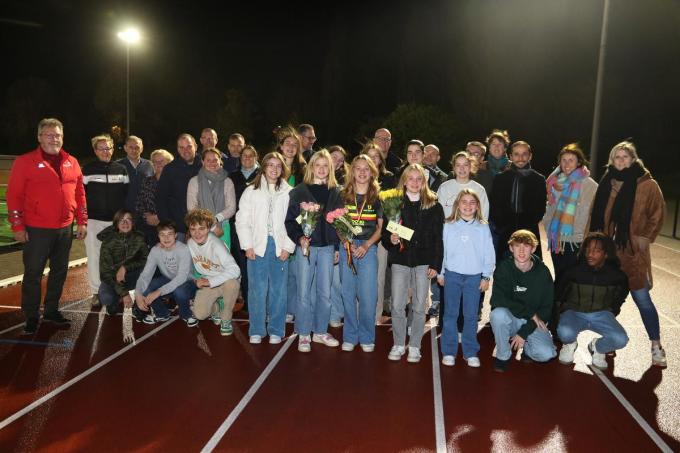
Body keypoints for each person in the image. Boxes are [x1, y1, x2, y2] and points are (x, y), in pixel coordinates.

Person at [589, 140, 667, 367]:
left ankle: (656, 345)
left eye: (625, 157)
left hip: (632, 253)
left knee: (642, 299)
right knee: (608, 301)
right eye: (617, 157)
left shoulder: (647, 184)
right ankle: (609, 341)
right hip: (608, 253)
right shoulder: (606, 182)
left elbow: (658, 213)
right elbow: (596, 214)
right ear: (611, 160)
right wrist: (593, 243)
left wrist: (645, 237)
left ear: (633, 160)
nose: (621, 161)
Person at [7, 118, 87, 334]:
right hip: (36, 228)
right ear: (39, 137)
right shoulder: (25, 162)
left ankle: (51, 310)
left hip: (65, 228)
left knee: (59, 272)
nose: (54, 139)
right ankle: (31, 315)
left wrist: (82, 220)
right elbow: (14, 195)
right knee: (33, 273)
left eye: (58, 135)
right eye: (49, 134)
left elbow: (79, 193)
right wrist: (17, 225)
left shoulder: (72, 161)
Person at [382, 164, 444, 363]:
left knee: (419, 306)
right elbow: (386, 233)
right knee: (398, 304)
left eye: (419, 179)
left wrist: (436, 263)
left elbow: (438, 238)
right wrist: (390, 240)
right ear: (404, 181)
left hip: (423, 261)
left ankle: (415, 345)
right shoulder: (395, 202)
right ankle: (399, 343)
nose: (415, 183)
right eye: (411, 178)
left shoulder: (434, 204)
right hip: (400, 260)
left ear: (424, 182)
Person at [285, 150, 342, 352]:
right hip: (306, 249)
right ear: (311, 167)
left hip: (327, 249)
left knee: (325, 293)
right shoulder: (299, 191)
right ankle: (303, 333)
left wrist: (336, 246)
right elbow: (290, 221)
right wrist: (299, 237)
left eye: (325, 165)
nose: (321, 169)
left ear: (331, 168)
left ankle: (319, 331)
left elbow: (339, 223)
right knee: (303, 293)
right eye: (317, 164)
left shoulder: (337, 192)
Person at [235, 152, 295, 344]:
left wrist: (288, 246)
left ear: (282, 169)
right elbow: (241, 220)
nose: (274, 169)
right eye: (270, 165)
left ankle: (276, 329)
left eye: (278, 165)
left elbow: (294, 222)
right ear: (263, 167)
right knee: (257, 289)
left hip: (279, 246)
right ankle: (257, 329)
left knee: (279, 290)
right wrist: (247, 245)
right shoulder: (250, 191)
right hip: (257, 246)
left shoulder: (289, 192)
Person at [438, 189, 495, 367]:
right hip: (452, 275)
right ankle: (449, 351)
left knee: (470, 315)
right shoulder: (448, 225)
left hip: (474, 277)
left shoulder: (483, 227)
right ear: (457, 205)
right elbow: (442, 251)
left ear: (477, 206)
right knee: (450, 314)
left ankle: (470, 351)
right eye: (464, 202)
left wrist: (486, 276)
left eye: (472, 202)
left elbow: (489, 254)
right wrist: (440, 272)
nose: (468, 206)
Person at [556, 232, 629, 370]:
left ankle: (598, 347)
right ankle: (570, 344)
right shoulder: (572, 272)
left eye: (596, 251)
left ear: (606, 254)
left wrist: (612, 310)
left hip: (601, 315)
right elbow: (558, 294)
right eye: (588, 249)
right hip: (574, 313)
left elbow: (621, 295)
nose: (590, 254)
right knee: (564, 332)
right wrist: (560, 313)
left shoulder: (617, 276)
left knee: (621, 339)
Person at [489, 230, 556, 372]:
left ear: (533, 249)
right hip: (512, 318)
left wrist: (524, 332)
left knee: (546, 354)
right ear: (510, 248)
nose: (521, 251)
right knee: (497, 315)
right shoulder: (504, 268)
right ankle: (503, 355)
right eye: (517, 246)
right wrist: (530, 312)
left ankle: (528, 347)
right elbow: (497, 299)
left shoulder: (543, 273)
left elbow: (546, 308)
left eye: (526, 246)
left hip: (533, 322)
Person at [338, 155, 384, 352]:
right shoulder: (342, 195)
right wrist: (346, 241)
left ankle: (366, 336)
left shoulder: (377, 198)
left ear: (372, 172)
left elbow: (381, 228)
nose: (362, 172)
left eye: (366, 168)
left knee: (368, 295)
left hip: (368, 247)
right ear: (352, 171)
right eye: (358, 168)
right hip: (346, 245)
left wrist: (366, 245)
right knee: (348, 293)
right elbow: (337, 223)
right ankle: (350, 335)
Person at [82, 134, 129, 309]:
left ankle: (116, 290)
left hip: (115, 222)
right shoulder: (87, 169)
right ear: (95, 150)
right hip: (94, 220)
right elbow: (80, 196)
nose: (106, 151)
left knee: (116, 258)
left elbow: (126, 195)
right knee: (94, 257)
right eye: (101, 148)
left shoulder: (121, 169)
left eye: (108, 148)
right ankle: (96, 292)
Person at [542, 143, 598, 284]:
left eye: (571, 160)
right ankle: (558, 305)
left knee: (572, 279)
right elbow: (550, 208)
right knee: (560, 276)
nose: (567, 164)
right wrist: (548, 225)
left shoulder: (590, 185)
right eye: (564, 160)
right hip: (556, 239)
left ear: (579, 162)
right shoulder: (554, 182)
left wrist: (588, 239)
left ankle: (563, 305)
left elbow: (593, 215)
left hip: (576, 241)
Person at [186, 208, 241, 336]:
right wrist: (194, 280)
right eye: (193, 229)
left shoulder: (216, 244)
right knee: (199, 314)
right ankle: (215, 310)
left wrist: (210, 281)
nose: (197, 234)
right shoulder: (190, 243)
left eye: (202, 229)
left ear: (209, 228)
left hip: (226, 281)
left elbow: (235, 270)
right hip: (208, 281)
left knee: (232, 284)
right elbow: (185, 269)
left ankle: (226, 319)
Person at [489, 141, 546, 260]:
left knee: (529, 267)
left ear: (530, 156)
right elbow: (494, 205)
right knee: (504, 267)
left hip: (529, 231)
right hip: (505, 232)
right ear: (510, 157)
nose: (520, 158)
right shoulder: (500, 178)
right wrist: (502, 225)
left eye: (524, 154)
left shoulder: (538, 179)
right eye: (516, 154)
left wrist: (527, 227)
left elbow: (540, 208)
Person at [134, 221, 197, 326]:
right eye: (162, 234)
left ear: (176, 235)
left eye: (170, 234)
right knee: (146, 288)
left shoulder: (183, 249)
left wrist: (159, 291)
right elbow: (145, 275)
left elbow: (181, 277)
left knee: (179, 291)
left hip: (189, 282)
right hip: (169, 279)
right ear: (158, 236)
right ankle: (162, 313)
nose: (166, 238)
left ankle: (187, 314)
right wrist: (138, 294)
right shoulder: (155, 251)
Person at [277, 127, 306, 322]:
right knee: (279, 270)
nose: (290, 147)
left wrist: (303, 224)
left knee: (294, 271)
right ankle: (279, 308)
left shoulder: (303, 170)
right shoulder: (272, 167)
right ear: (280, 146)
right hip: (274, 224)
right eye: (287, 143)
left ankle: (292, 309)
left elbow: (307, 199)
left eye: (294, 145)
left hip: (295, 223)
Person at [364, 141, 395, 323]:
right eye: (370, 155)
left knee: (379, 278)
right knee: (360, 279)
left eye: (377, 156)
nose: (374, 159)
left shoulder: (389, 178)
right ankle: (361, 314)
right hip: (360, 236)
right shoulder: (356, 178)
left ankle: (375, 316)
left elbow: (393, 209)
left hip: (382, 236)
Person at [97, 209, 149, 316]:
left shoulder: (139, 238)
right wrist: (124, 294)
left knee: (149, 272)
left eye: (128, 220)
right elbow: (105, 273)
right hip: (113, 278)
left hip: (133, 275)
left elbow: (146, 260)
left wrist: (125, 267)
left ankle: (140, 304)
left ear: (133, 223)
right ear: (116, 223)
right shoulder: (108, 242)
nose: (125, 223)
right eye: (121, 220)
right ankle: (115, 300)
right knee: (106, 298)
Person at [186, 147, 237, 249]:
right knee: (203, 262)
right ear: (202, 162)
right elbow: (192, 208)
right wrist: (212, 226)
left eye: (215, 160)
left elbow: (231, 208)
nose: (212, 163)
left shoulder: (227, 182)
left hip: (222, 228)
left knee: (222, 261)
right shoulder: (194, 181)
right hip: (199, 228)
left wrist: (216, 219)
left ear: (220, 161)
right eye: (208, 160)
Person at [229, 145, 260, 311]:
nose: (247, 159)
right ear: (240, 159)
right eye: (244, 156)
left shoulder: (263, 175)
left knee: (258, 265)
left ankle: (260, 301)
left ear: (256, 157)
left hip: (259, 227)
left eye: (251, 156)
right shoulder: (232, 176)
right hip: (238, 227)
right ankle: (248, 302)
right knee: (243, 265)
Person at [156, 133, 202, 242]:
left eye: (189, 146)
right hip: (178, 228)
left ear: (195, 146)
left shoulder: (205, 166)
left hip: (202, 226)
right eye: (181, 147)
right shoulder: (170, 169)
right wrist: (168, 225)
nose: (185, 150)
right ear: (177, 149)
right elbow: (161, 198)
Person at [136, 149, 174, 247]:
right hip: (149, 227)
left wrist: (159, 217)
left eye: (161, 161)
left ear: (169, 162)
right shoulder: (146, 181)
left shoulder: (174, 182)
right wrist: (147, 217)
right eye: (155, 162)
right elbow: (140, 203)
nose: (158, 163)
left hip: (169, 227)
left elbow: (175, 204)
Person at [437, 151, 489, 220]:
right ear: (454, 168)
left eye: (465, 165)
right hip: (448, 229)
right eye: (458, 165)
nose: (462, 168)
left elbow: (484, 215)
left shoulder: (479, 189)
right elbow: (438, 213)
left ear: (470, 167)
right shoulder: (444, 187)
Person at [118, 135, 153, 214]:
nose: (134, 150)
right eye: (130, 147)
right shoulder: (117, 166)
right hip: (124, 214)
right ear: (125, 148)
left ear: (142, 148)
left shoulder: (149, 165)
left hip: (145, 214)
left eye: (137, 147)